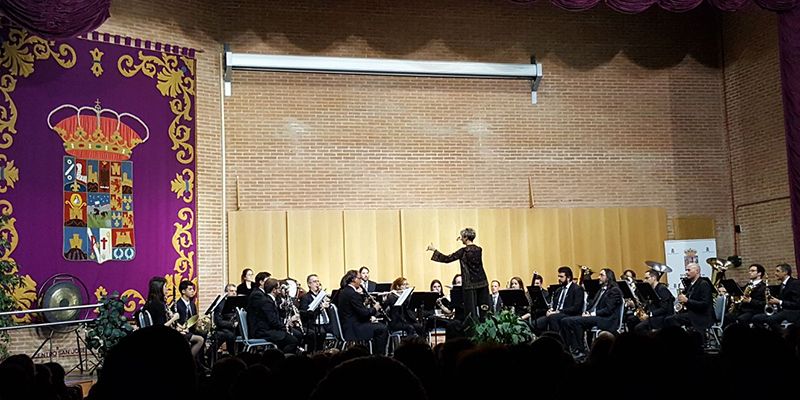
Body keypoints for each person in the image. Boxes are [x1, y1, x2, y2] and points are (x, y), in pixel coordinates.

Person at [427, 228, 490, 322]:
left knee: (471, 313)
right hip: (483, 282)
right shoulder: (479, 249)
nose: (460, 239)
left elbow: (447, 258)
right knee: (484, 309)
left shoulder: (463, 251)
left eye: (462, 237)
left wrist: (434, 250)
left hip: (469, 285)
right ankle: (486, 329)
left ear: (466, 237)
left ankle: (472, 330)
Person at [560, 268, 623, 358]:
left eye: (601, 275)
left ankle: (580, 350)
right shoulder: (601, 290)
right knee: (565, 321)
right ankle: (570, 348)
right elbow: (593, 305)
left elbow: (608, 310)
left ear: (608, 277)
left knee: (574, 321)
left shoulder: (614, 290)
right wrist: (587, 312)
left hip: (606, 319)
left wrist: (592, 314)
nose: (599, 277)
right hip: (596, 317)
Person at [246, 274, 301, 354]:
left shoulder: (269, 300)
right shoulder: (266, 302)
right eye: (279, 288)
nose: (280, 290)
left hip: (268, 329)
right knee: (293, 341)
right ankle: (281, 358)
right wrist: (286, 325)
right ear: (274, 290)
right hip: (263, 331)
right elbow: (273, 321)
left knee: (294, 336)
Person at [337, 269, 389, 354]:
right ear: (353, 279)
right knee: (382, 328)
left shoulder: (344, 291)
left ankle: (373, 353)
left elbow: (353, 310)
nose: (361, 281)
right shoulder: (353, 294)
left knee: (377, 326)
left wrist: (364, 303)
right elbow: (364, 313)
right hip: (354, 329)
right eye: (359, 278)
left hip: (348, 326)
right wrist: (375, 308)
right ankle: (379, 356)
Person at [532, 266, 585, 335]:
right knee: (535, 323)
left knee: (553, 318)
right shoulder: (558, 290)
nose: (559, 279)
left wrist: (558, 311)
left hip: (569, 314)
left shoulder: (577, 289)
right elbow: (554, 305)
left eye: (561, 277)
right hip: (556, 314)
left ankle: (557, 339)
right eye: (558, 276)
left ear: (568, 278)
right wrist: (550, 310)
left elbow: (576, 308)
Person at [664, 263, 714, 331]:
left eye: (689, 270)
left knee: (670, 320)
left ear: (697, 271)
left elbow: (705, 304)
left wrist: (687, 301)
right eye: (686, 270)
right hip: (693, 314)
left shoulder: (704, 284)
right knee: (669, 318)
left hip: (702, 316)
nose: (686, 272)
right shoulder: (691, 284)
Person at [751, 263, 800, 331]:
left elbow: (797, 304)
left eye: (777, 271)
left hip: (792, 312)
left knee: (771, 320)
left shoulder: (795, 283)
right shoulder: (782, 285)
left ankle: (783, 334)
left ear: (785, 272)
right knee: (756, 318)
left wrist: (779, 302)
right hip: (782, 311)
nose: (775, 273)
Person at [299, 273, 333, 352]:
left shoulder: (323, 297)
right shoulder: (305, 297)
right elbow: (305, 314)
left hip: (325, 322)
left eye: (318, 281)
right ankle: (317, 352)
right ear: (309, 284)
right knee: (321, 333)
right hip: (313, 323)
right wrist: (319, 308)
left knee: (336, 329)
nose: (317, 284)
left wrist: (327, 306)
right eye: (314, 282)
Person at [633, 269, 675, 334]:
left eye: (647, 278)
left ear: (654, 278)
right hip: (655, 315)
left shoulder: (662, 289)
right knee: (632, 320)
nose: (644, 281)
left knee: (639, 328)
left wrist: (649, 314)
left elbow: (664, 308)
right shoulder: (651, 289)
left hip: (662, 317)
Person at [212, 283, 239, 356]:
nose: (234, 293)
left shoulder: (237, 302)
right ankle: (232, 355)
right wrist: (232, 324)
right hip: (224, 328)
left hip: (235, 329)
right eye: (231, 291)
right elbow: (218, 321)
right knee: (229, 335)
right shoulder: (221, 304)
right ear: (226, 293)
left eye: (235, 291)